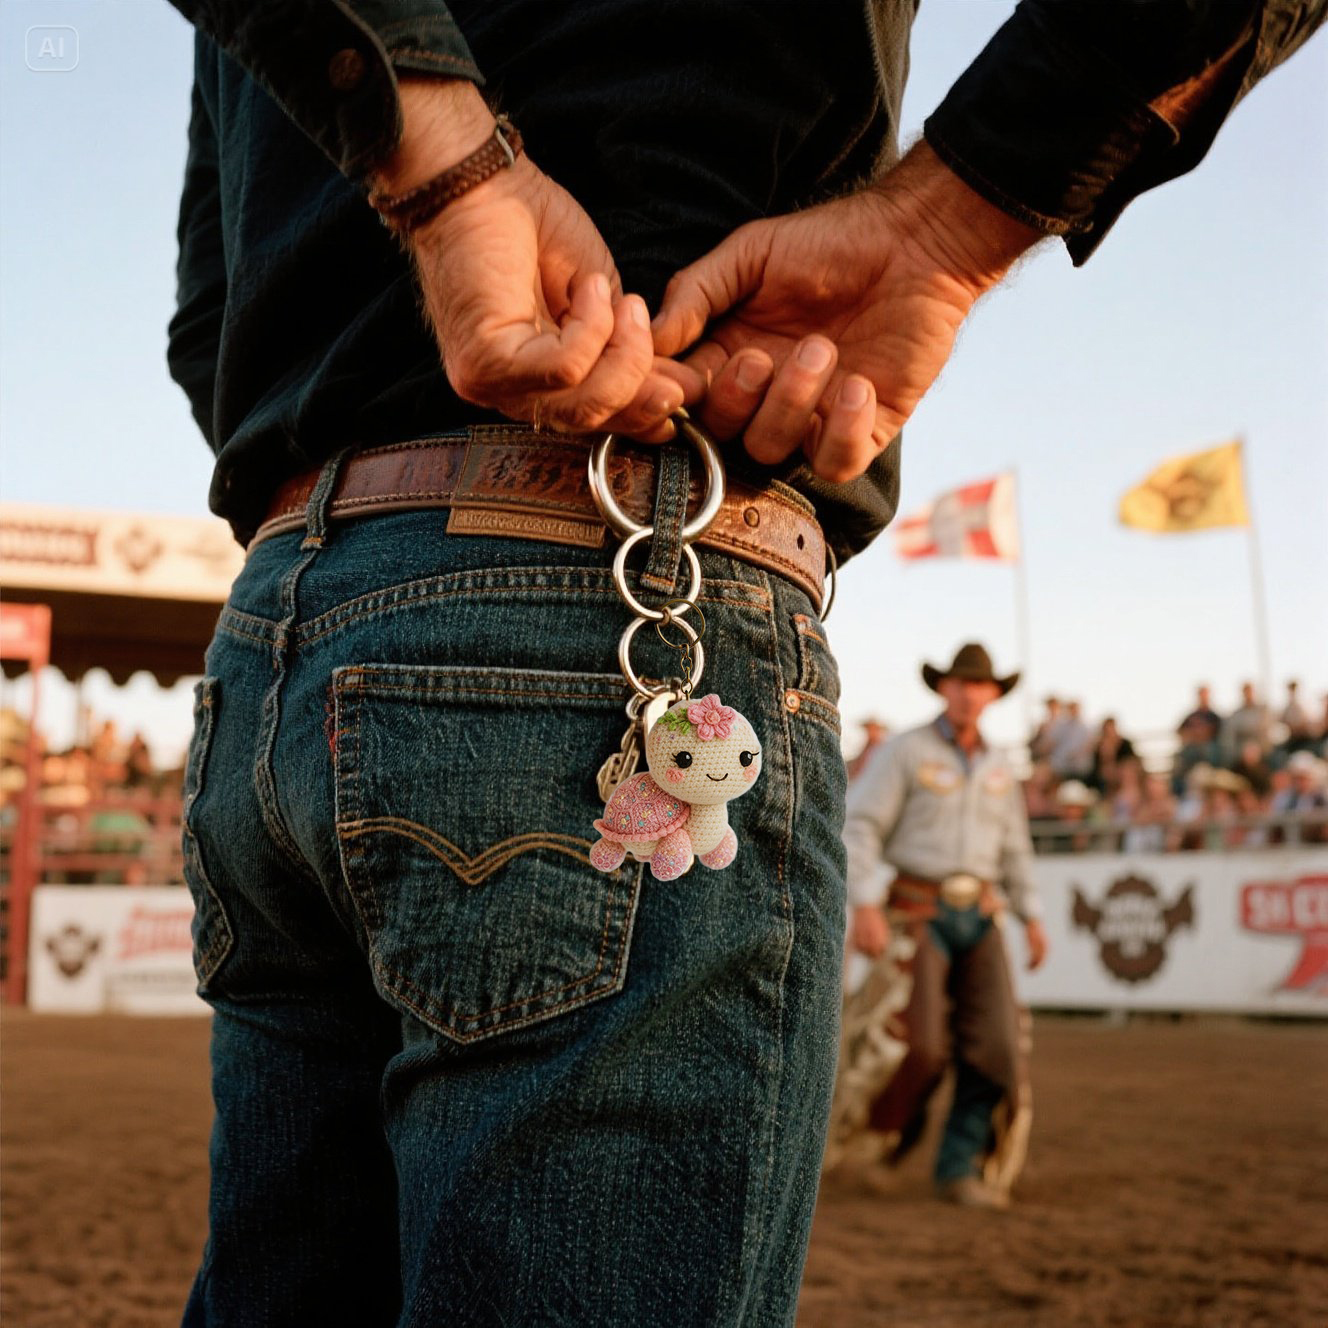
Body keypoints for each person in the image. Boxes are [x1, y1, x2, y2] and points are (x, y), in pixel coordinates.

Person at [164, 0, 1326, 1320]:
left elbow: (206, 322)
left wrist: (435, 163)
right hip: (615, 574)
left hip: (291, 613)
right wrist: (954, 219)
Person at [842, 643, 1046, 1211]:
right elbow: (860, 827)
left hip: (981, 915)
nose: (969, 694)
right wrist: (863, 902)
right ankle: (885, 1143)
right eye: (960, 684)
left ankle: (960, 1169)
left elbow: (1015, 850)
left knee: (998, 1048)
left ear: (992, 695)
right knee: (919, 1047)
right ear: (943, 689)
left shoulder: (1002, 764)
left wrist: (1032, 917)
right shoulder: (906, 751)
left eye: (979, 686)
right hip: (916, 909)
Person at [847, 716, 890, 782]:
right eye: (869, 729)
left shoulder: (881, 748)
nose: (871, 732)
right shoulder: (867, 746)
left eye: (874, 729)